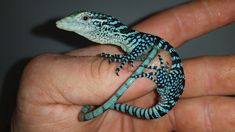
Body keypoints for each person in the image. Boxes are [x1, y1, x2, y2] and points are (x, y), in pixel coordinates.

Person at [11, 1, 235, 131]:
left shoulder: (131, 41)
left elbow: (141, 54)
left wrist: (128, 61)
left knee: (154, 67)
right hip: (163, 94)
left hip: (169, 90)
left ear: (103, 25)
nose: (79, 22)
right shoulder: (127, 40)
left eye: (85, 19)